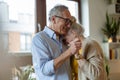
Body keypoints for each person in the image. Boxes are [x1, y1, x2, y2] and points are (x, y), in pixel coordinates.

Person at [31, 5, 81, 80]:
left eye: (70, 21)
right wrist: (69, 52)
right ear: (53, 19)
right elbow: (44, 70)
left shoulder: (64, 39)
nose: (69, 25)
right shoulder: (39, 39)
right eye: (66, 20)